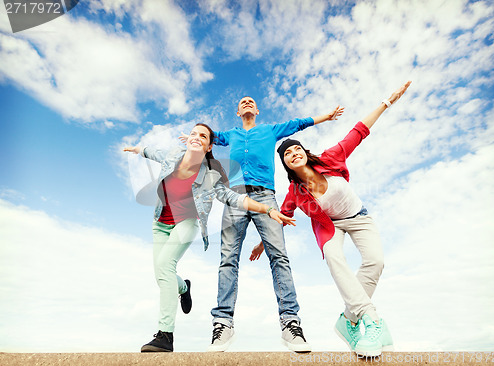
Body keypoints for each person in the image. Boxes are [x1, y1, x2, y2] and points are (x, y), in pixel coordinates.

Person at [250, 81, 411, 357]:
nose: (293, 153)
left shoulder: (330, 158)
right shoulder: (295, 193)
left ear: (304, 151)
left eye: (296, 149)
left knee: (376, 262)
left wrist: (387, 102)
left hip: (358, 217)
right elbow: (283, 216)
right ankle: (370, 319)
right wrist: (262, 243)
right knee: (335, 258)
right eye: (287, 154)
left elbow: (358, 132)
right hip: (330, 228)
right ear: (286, 164)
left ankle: (348, 319)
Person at [124, 123, 295, 353]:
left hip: (186, 223)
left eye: (202, 136)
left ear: (209, 146)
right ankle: (184, 288)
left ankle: (165, 335)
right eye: (193, 134)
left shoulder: (211, 173)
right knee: (162, 275)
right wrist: (137, 149)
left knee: (165, 267)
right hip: (160, 225)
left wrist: (266, 209)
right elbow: (152, 152)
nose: (196, 137)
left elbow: (232, 197)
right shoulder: (173, 154)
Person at [203, 97, 344, 352]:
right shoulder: (230, 135)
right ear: (238, 111)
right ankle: (223, 323)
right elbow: (207, 136)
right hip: (235, 198)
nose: (247, 103)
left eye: (251, 102)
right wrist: (195, 137)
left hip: (265, 195)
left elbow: (298, 124)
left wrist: (326, 116)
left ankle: (291, 324)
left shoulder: (269, 130)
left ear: (256, 110)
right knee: (227, 259)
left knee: (279, 257)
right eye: (242, 102)